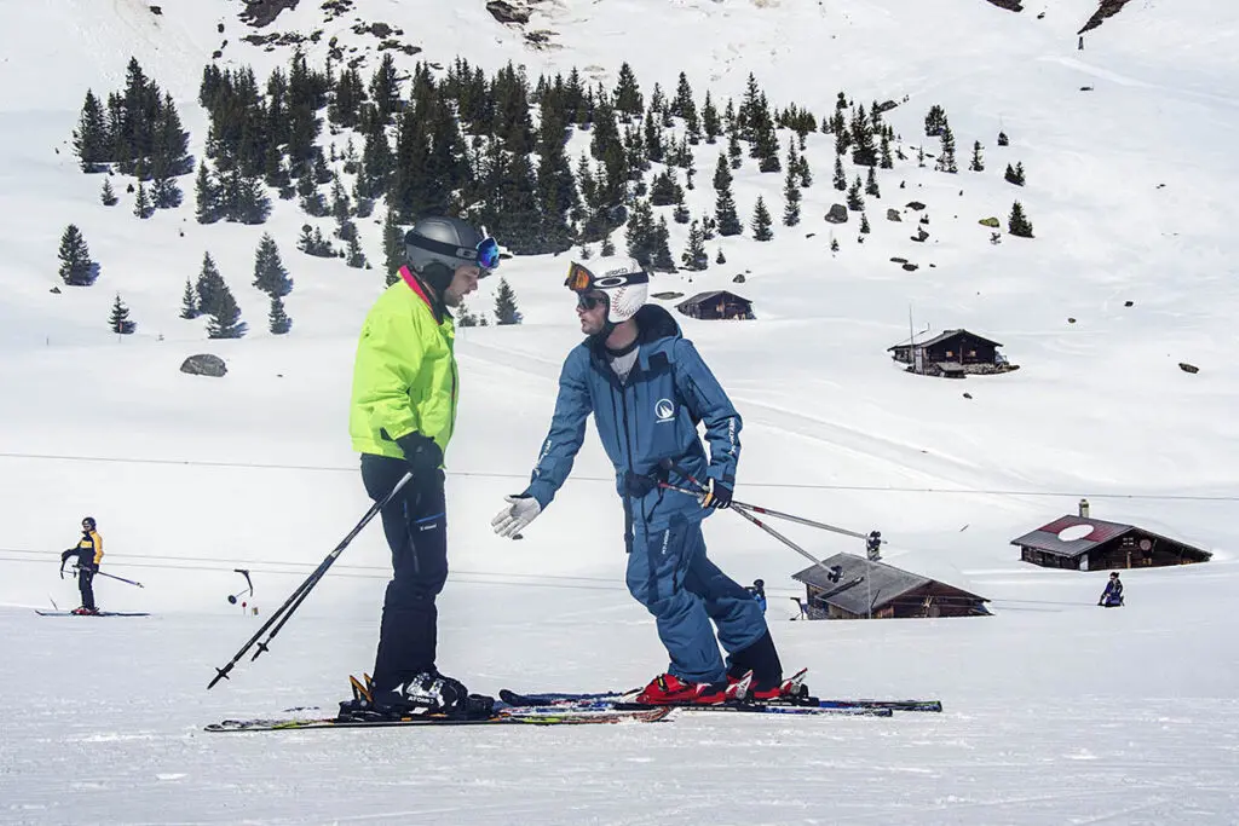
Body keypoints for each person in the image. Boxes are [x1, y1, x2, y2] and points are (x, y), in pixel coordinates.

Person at [491, 257, 792, 705]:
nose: (580, 310)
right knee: (691, 576)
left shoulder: (672, 354)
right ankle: (759, 667)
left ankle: (699, 676)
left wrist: (720, 474)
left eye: (590, 301)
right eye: (579, 301)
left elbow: (722, 416)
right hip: (635, 496)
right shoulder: (582, 364)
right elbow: (563, 435)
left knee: (651, 582)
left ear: (620, 304)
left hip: (681, 486)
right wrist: (539, 494)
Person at [341, 215, 500, 719]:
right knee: (417, 570)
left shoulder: (427, 311)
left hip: (416, 459)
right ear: (437, 269)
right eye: (469, 275)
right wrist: (412, 441)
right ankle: (397, 681)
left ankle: (412, 675)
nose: (474, 286)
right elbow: (379, 385)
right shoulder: (400, 312)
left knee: (425, 570)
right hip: (399, 459)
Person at [61, 516, 103, 615]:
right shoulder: (84, 538)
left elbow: (99, 552)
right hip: (82, 566)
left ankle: (90, 607)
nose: (85, 528)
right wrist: (69, 553)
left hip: (89, 566)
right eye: (84, 526)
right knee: (82, 586)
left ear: (92, 526)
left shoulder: (96, 537)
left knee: (86, 586)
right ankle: (85, 605)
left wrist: (95, 564)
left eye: (88, 526)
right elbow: (79, 550)